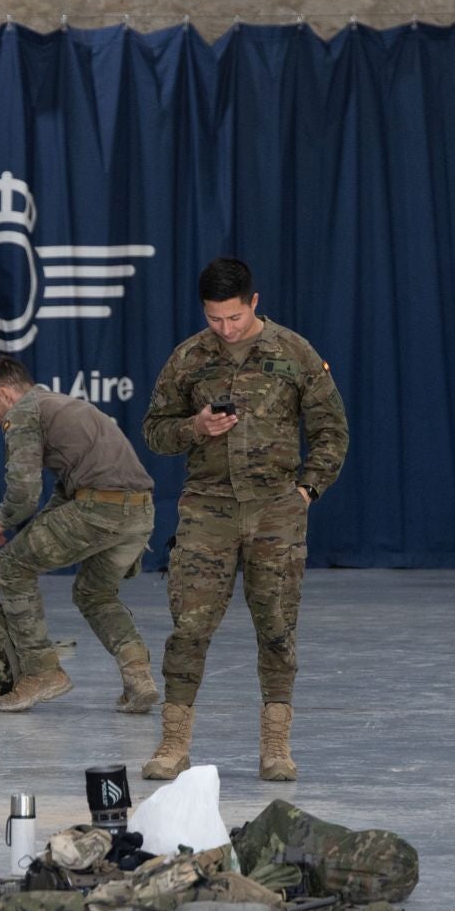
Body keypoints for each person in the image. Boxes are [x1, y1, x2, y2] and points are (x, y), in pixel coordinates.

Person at [139, 256, 349, 782]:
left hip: (277, 510)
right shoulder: (188, 358)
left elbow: (332, 430)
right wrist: (195, 427)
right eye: (215, 319)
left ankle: (276, 746)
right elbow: (154, 432)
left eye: (234, 317)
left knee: (277, 629)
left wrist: (306, 490)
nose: (225, 329)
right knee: (189, 628)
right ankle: (173, 743)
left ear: (254, 302)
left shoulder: (294, 352)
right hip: (207, 510)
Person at [0, 356, 158, 713]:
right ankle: (139, 677)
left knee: (10, 567)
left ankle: (42, 670)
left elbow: (24, 490)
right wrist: (34, 529)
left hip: (100, 510)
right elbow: (66, 491)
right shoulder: (64, 405)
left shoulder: (25, 413)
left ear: (5, 394)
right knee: (95, 593)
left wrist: (3, 520)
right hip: (140, 512)